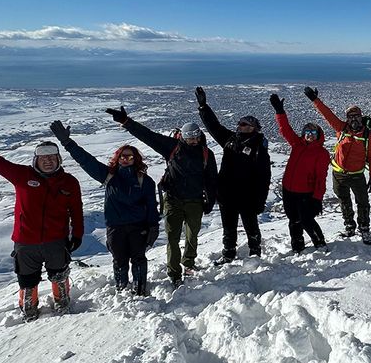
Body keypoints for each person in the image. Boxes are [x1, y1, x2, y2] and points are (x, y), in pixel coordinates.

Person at [0, 121, 83, 321]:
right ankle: (29, 309)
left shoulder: (69, 182)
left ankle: (62, 303)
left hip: (56, 240)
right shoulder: (21, 175)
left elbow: (76, 211)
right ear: (35, 160)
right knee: (27, 281)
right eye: (43, 158)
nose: (48, 161)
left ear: (59, 160)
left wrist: (78, 234)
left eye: (52, 158)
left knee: (60, 275)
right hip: (25, 242)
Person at [105, 106, 219, 288]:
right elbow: (148, 136)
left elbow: (212, 179)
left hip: (195, 201)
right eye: (190, 138)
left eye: (196, 137)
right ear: (182, 136)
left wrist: (210, 200)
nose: (193, 141)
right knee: (172, 238)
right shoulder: (172, 147)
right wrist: (126, 122)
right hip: (173, 199)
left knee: (192, 234)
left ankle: (188, 262)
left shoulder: (206, 153)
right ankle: (174, 273)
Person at [50, 121, 160, 295]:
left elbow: (152, 206)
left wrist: (153, 226)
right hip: (116, 228)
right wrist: (68, 143)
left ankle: (140, 290)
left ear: (135, 159)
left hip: (138, 227)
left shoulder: (145, 181)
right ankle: (122, 290)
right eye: (123, 156)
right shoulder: (109, 176)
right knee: (119, 260)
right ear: (118, 158)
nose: (126, 159)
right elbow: (87, 161)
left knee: (139, 259)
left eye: (130, 157)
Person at [196, 87, 271, 261]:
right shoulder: (230, 139)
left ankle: (255, 253)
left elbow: (264, 178)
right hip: (227, 194)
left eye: (244, 124)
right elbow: (214, 127)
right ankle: (228, 254)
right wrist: (203, 107)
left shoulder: (259, 149)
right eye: (239, 123)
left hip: (247, 196)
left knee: (251, 226)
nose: (239, 126)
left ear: (254, 128)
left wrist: (260, 201)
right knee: (228, 227)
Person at [304, 86, 371, 245]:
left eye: (357, 116)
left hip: (357, 175)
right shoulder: (341, 128)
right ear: (347, 118)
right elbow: (327, 114)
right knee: (344, 200)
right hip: (338, 174)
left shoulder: (367, 135)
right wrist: (315, 100)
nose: (354, 119)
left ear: (361, 117)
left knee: (363, 202)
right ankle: (350, 226)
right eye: (350, 117)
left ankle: (364, 228)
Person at [269, 93, 330, 253]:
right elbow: (285, 130)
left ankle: (320, 242)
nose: (309, 136)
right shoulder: (297, 145)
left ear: (319, 136)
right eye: (307, 133)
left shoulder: (321, 153)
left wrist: (317, 199)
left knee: (306, 220)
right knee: (293, 220)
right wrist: (279, 112)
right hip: (288, 190)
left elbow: (321, 178)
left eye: (313, 134)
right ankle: (297, 245)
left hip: (305, 193)